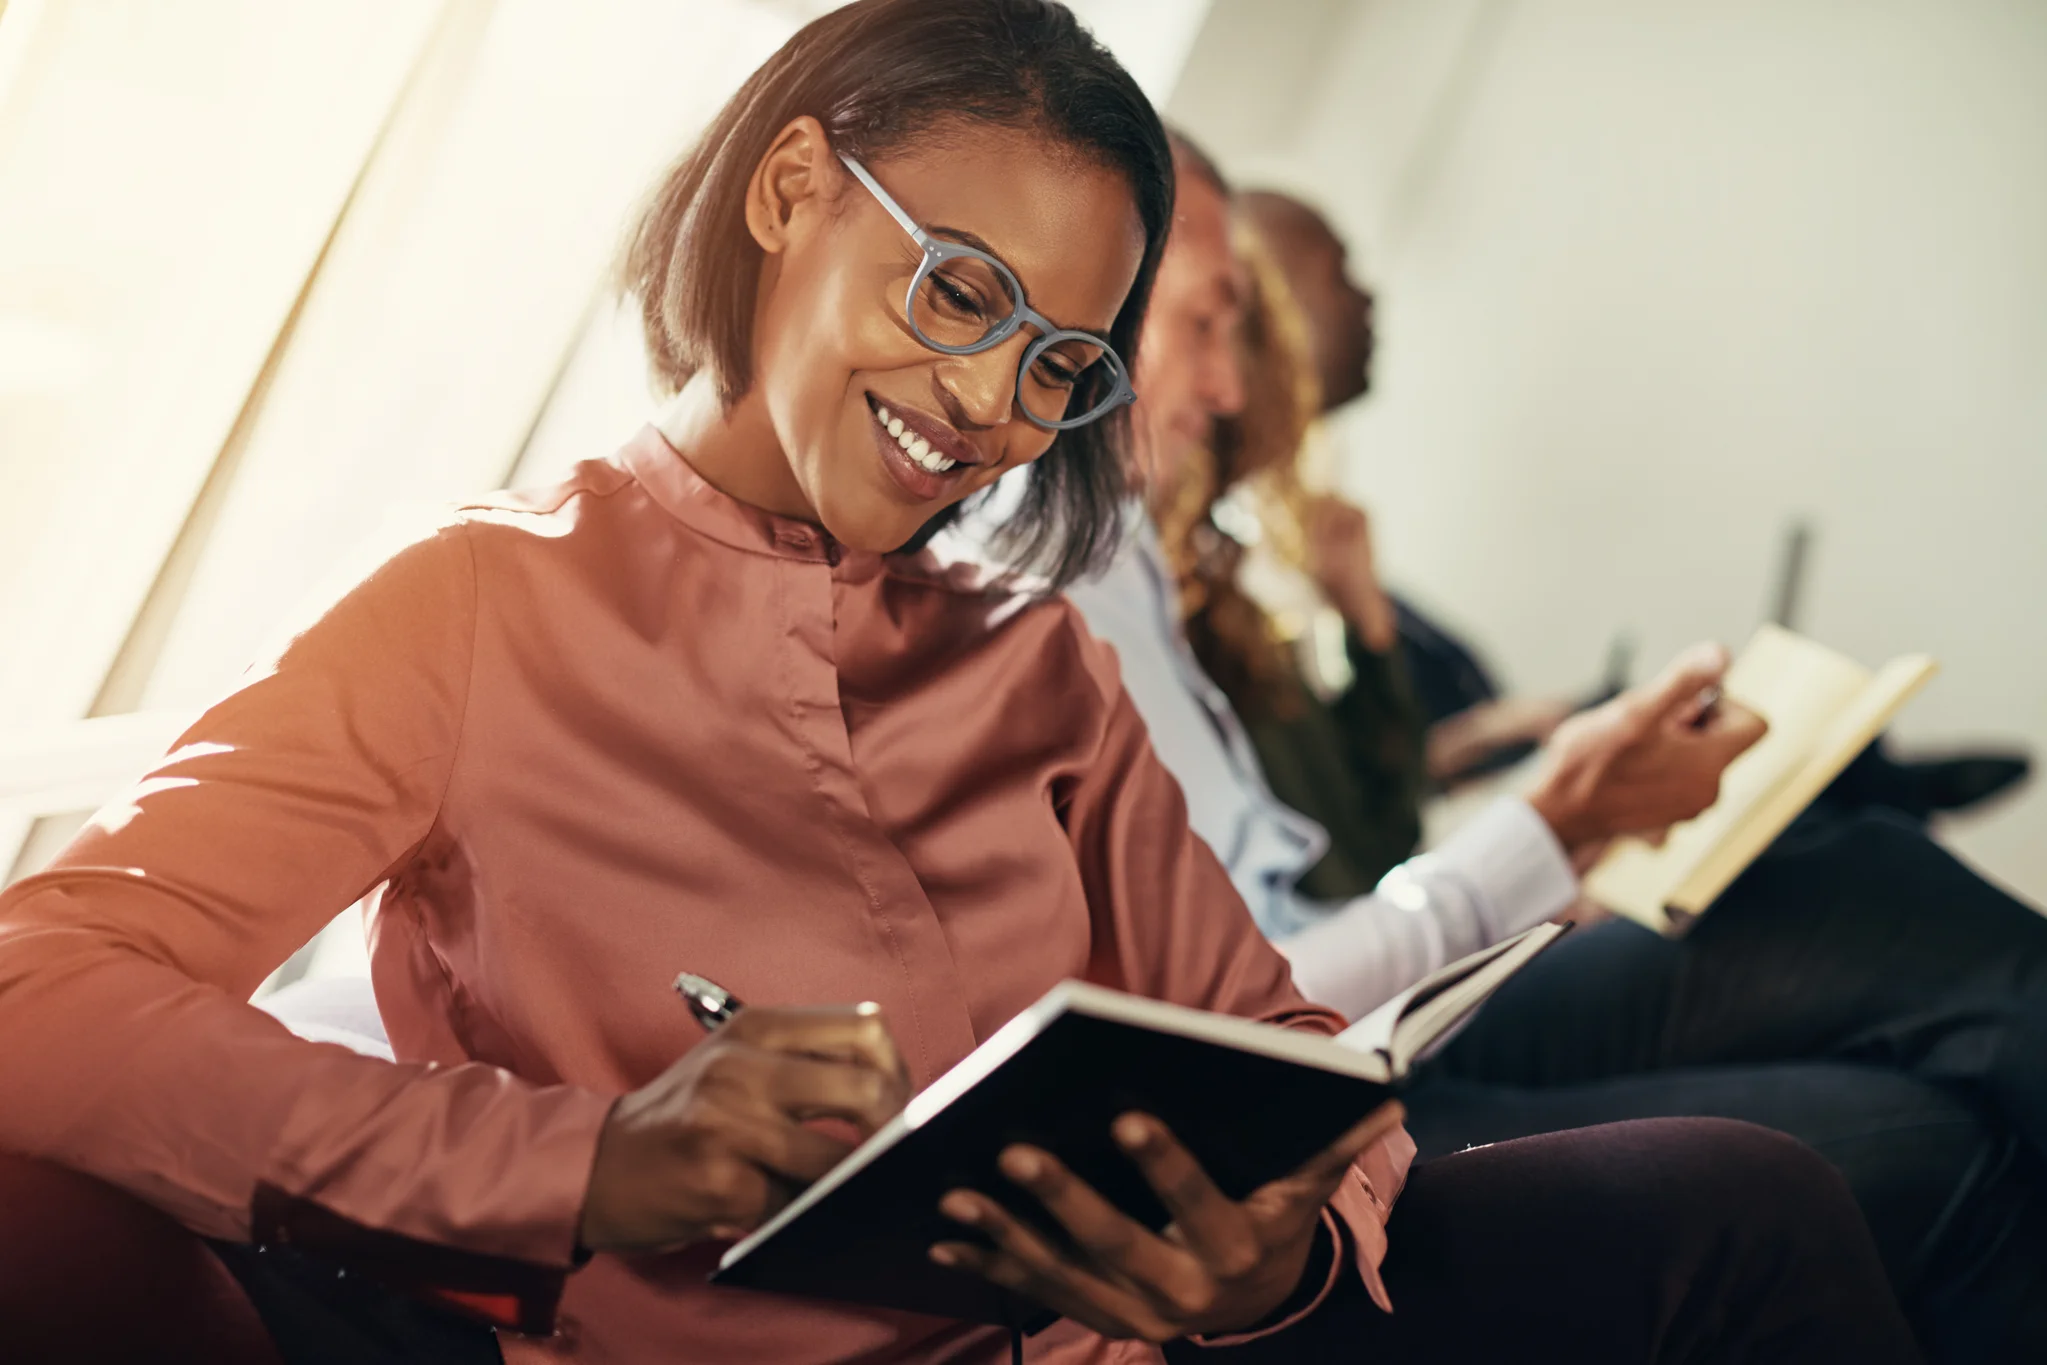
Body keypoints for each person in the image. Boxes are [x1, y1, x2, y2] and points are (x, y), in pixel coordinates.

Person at [0, 5, 1927, 1362]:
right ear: (785, 197)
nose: (995, 408)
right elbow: (43, 992)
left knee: (1743, 1198)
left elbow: (1288, 1071)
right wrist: (591, 1158)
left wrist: (1267, 1266)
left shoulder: (1040, 668)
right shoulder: (475, 603)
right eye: (960, 295)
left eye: (1059, 363)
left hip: (1151, 1349)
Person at [1066, 151, 2043, 1360]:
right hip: (1346, 1055)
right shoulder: (1051, 586)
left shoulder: (1126, 559)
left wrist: (1545, 838)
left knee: (1870, 877)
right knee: (1928, 1140)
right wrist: (1551, 827)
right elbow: (1260, 981)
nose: (1227, 382)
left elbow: (1315, 876)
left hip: (1378, 996)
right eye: (1208, 320)